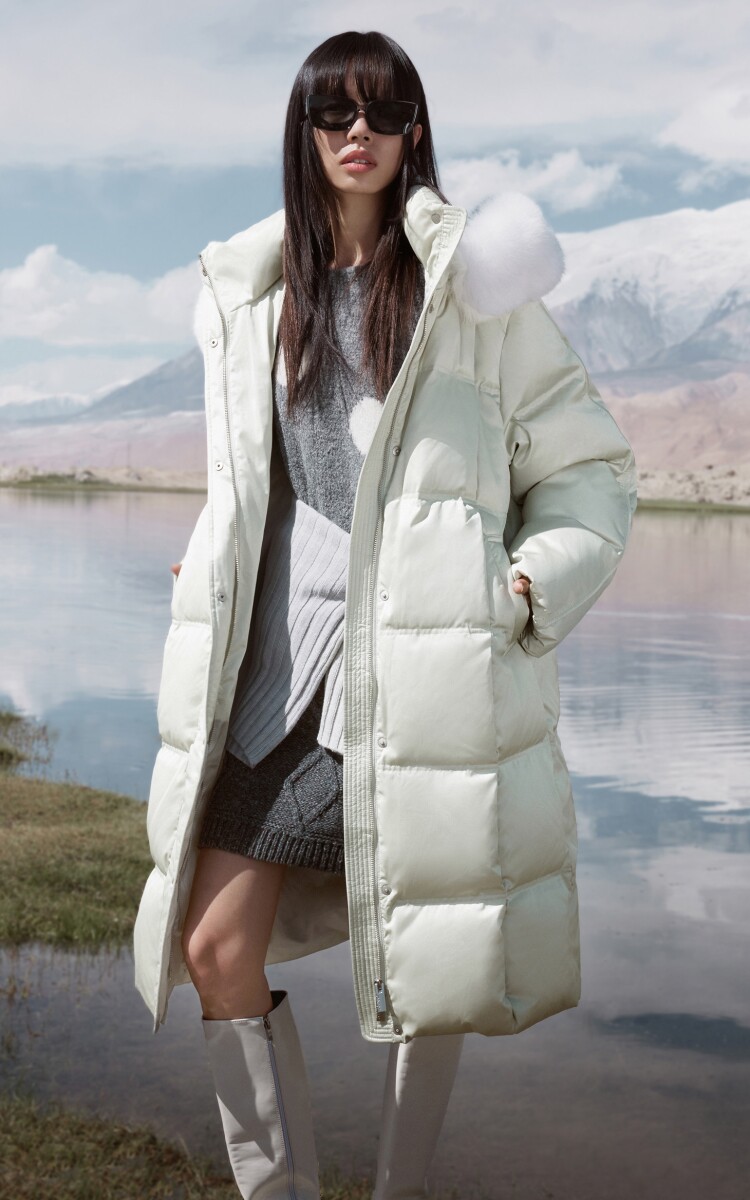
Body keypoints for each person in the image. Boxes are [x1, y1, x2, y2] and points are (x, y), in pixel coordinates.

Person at [134, 29, 637, 1200]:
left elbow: (592, 472)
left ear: (415, 132)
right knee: (213, 948)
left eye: (382, 113)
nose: (357, 134)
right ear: (305, 133)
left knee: (431, 962)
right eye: (334, 113)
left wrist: (526, 587)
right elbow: (260, 479)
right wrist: (217, 552)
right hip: (275, 672)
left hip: (421, 670)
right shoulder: (260, 297)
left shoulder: (475, 292)